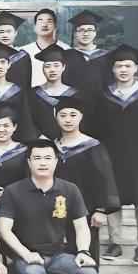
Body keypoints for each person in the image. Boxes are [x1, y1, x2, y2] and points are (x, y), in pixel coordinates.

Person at [0, 139, 98, 274]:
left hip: (58, 256)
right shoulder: (13, 191)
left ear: (56, 161)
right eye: (37, 158)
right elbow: (4, 229)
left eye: (47, 158)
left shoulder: (69, 190)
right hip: (26, 255)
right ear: (29, 162)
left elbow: (81, 226)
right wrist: (25, 253)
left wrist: (83, 251)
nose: (42, 162)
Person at [95, 45, 138, 264]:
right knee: (113, 198)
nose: (123, 70)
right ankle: (115, 242)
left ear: (136, 68)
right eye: (119, 66)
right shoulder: (105, 95)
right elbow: (99, 128)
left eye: (127, 66)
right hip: (112, 154)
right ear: (113, 69)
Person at [53, 97, 120, 260]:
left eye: (73, 115)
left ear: (81, 116)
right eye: (63, 115)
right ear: (56, 117)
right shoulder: (52, 147)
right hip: (56, 208)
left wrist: (101, 210)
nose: (68, 120)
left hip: (86, 208)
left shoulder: (93, 146)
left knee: (86, 253)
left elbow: (105, 179)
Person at [29, 45, 84, 140]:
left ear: (63, 67)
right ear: (43, 69)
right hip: (40, 144)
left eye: (56, 65)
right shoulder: (32, 94)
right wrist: (40, 137)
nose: (52, 70)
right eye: (47, 66)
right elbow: (27, 121)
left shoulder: (77, 95)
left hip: (70, 142)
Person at [63, 10, 113, 97]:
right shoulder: (66, 56)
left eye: (90, 30)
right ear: (75, 33)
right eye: (81, 30)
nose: (85, 34)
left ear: (95, 32)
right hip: (72, 102)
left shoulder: (107, 56)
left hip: (101, 102)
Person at [21, 9, 70, 88]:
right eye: (40, 21)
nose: (44, 25)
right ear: (34, 27)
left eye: (49, 21)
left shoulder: (66, 49)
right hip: (30, 94)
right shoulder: (24, 51)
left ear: (55, 26)